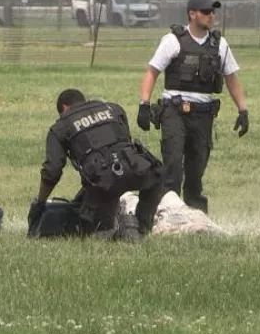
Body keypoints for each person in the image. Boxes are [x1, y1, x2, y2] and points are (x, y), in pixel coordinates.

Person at [137, 0, 248, 213]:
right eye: (206, 12)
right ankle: (167, 212)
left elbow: (231, 78)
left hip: (203, 114)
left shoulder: (220, 44)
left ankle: (195, 213)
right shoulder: (173, 40)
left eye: (213, 12)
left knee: (196, 168)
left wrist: (243, 109)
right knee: (173, 163)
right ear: (192, 14)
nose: (211, 16)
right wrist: (144, 104)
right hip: (174, 110)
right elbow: (152, 72)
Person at [29, 89, 163, 241]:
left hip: (103, 181)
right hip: (139, 168)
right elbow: (124, 143)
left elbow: (52, 171)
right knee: (156, 177)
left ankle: (119, 231)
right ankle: (141, 226)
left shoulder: (60, 127)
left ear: (65, 108)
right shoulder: (114, 109)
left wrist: (40, 202)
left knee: (95, 234)